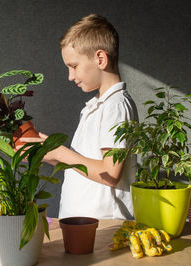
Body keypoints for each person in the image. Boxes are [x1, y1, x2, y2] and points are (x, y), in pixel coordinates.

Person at [20, 14, 138, 220]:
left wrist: (62, 152)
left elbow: (110, 174)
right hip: (84, 225)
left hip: (104, 227)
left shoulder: (116, 106)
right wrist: (47, 154)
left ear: (100, 59)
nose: (70, 76)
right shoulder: (96, 106)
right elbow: (84, 166)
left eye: (73, 66)